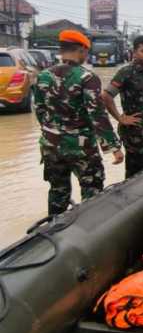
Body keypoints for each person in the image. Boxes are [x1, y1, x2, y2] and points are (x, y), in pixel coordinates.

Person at [34, 30, 124, 215]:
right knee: (92, 193)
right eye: (86, 52)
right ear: (82, 49)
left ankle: (53, 230)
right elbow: (97, 115)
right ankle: (89, 233)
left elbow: (40, 110)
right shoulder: (87, 78)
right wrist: (114, 147)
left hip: (50, 145)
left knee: (58, 192)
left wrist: (53, 131)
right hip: (81, 148)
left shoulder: (42, 76)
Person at [102, 35, 143, 179]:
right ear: (134, 52)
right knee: (134, 176)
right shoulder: (126, 72)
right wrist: (120, 118)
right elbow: (106, 96)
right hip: (133, 133)